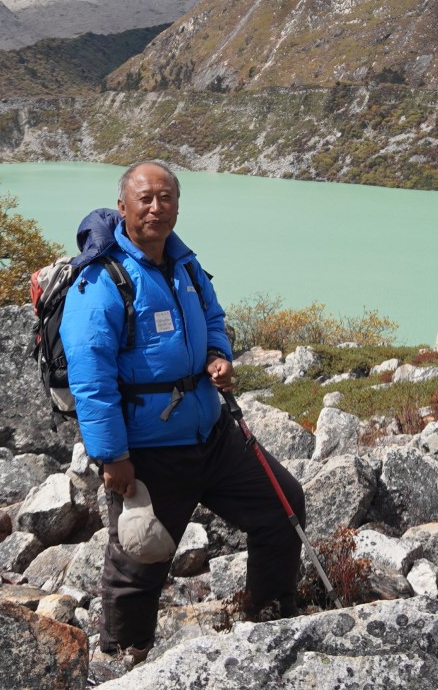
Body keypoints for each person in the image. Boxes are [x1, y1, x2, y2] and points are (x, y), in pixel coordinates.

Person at [59, 160, 308, 664]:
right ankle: (126, 660)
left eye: (166, 197)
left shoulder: (185, 263)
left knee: (283, 506)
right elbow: (92, 379)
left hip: (212, 434)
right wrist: (113, 455)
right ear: (123, 206)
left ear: (177, 203)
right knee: (139, 559)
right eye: (145, 198)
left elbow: (213, 318)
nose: (156, 207)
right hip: (149, 451)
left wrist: (218, 355)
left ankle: (267, 613)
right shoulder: (101, 282)